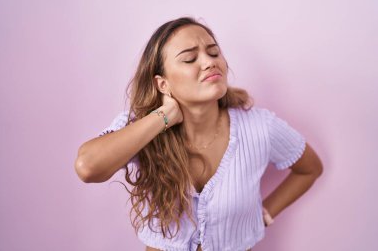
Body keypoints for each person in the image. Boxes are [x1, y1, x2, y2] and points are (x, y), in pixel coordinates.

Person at [74, 17, 323, 251]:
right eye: (190, 58)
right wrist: (164, 117)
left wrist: (264, 214)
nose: (209, 61)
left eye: (214, 52)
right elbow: (87, 167)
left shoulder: (260, 127)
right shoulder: (140, 126)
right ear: (163, 84)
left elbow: (310, 168)